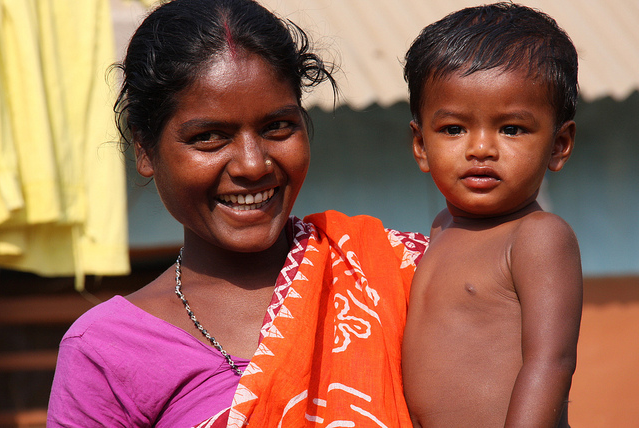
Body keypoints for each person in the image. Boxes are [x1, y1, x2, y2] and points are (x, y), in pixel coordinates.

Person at [47, 0, 428, 426]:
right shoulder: (106, 351)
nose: (252, 165)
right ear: (144, 148)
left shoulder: (397, 277)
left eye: (277, 127)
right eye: (209, 137)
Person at [402, 3, 583, 427]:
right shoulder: (440, 229)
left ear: (559, 144)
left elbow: (551, 363)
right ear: (421, 146)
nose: (481, 148)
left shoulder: (538, 236)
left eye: (511, 129)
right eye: (453, 129)